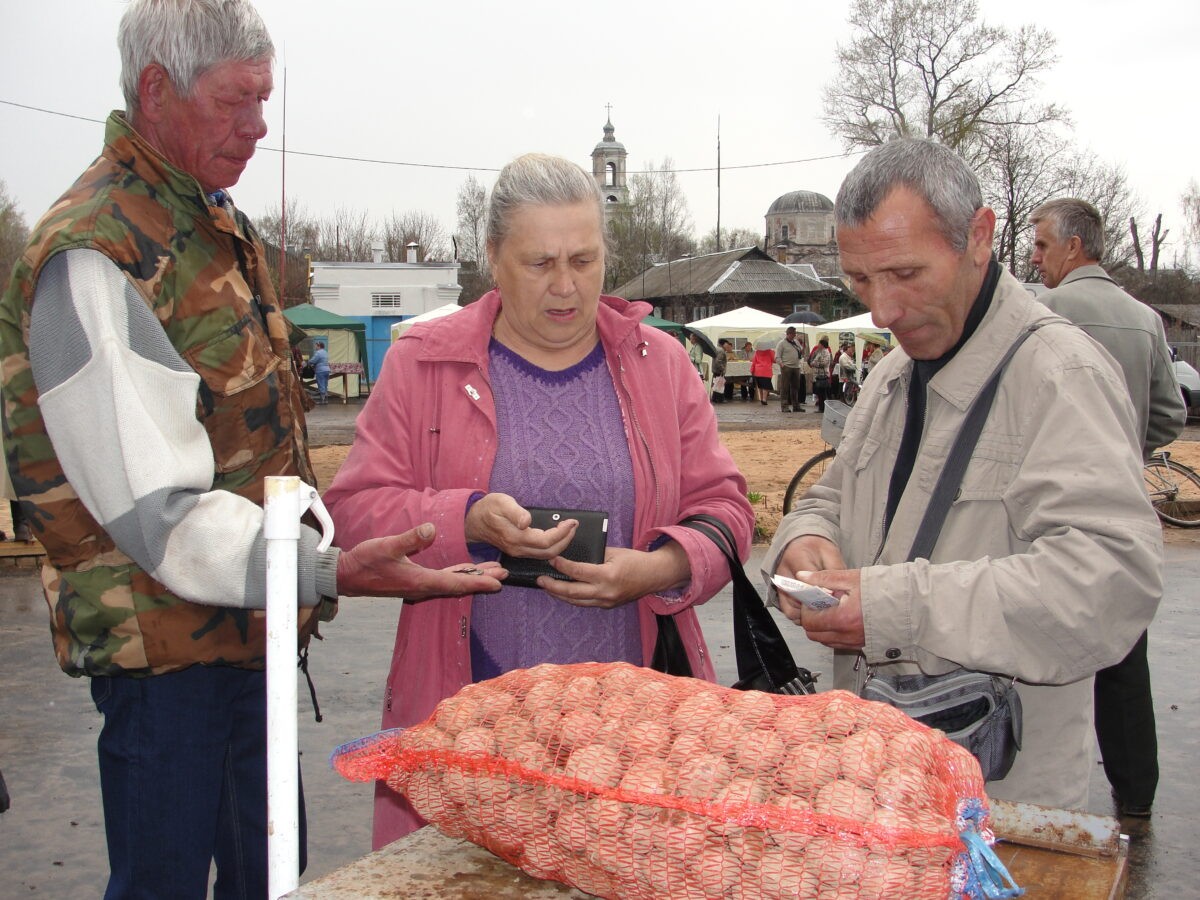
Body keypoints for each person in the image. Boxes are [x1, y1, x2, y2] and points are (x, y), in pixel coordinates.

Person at [0, 2, 501, 896]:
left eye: (265, 101)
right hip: (162, 655)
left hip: (246, 634)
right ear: (155, 90)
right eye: (236, 101)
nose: (257, 127)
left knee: (273, 873)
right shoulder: (94, 252)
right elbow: (158, 508)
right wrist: (326, 568)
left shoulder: (202, 218)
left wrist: (304, 569)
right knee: (165, 884)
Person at [322, 153, 753, 847]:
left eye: (584, 260)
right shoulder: (422, 362)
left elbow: (727, 508)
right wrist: (463, 517)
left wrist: (661, 568)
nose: (566, 286)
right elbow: (351, 511)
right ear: (492, 257)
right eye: (539, 263)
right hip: (469, 725)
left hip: (633, 735)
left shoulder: (660, 364)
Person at [765, 138, 1162, 813]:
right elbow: (833, 496)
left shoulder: (1059, 374)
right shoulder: (893, 373)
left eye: (905, 274)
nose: (882, 311)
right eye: (861, 281)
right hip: (873, 783)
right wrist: (804, 542)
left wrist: (890, 607)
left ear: (979, 237)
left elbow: (1113, 582)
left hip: (995, 813)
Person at [1031, 197, 1185, 819]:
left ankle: (1037, 804)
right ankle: (1136, 796)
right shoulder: (1145, 318)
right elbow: (1170, 414)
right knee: (1124, 659)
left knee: (1041, 655)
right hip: (1123, 509)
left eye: (1041, 244)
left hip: (1045, 510)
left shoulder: (1041, 314)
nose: (1034, 256)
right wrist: (1123, 450)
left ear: (1075, 247)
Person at [775, 326, 806, 413]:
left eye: (795, 333)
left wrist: (803, 348)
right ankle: (784, 406)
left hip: (796, 367)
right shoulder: (781, 343)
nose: (794, 335)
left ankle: (796, 406)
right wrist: (782, 364)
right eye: (793, 333)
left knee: (795, 387)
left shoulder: (796, 342)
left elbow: (800, 352)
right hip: (786, 367)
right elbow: (777, 356)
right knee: (785, 387)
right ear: (788, 334)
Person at [808, 336, 832, 412]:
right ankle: (821, 408)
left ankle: (823, 408)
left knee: (822, 393)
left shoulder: (826, 352)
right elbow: (813, 361)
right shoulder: (820, 352)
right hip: (818, 375)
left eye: (819, 344)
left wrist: (815, 364)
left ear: (822, 344)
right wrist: (813, 363)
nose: (818, 345)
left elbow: (824, 363)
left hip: (823, 375)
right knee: (819, 392)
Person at [749, 340, 776, 405]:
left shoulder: (757, 352)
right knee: (765, 386)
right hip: (766, 371)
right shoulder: (770, 351)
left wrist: (752, 370)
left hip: (758, 371)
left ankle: (761, 398)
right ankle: (764, 399)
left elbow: (754, 362)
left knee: (760, 386)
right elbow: (774, 360)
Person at [310, 339, 331, 404]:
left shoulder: (318, 352)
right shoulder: (325, 352)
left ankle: (322, 400)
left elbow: (313, 360)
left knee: (321, 384)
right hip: (327, 370)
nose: (315, 347)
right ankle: (326, 399)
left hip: (320, 371)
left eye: (316, 346)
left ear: (319, 346)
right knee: (325, 384)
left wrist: (308, 362)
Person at [710, 337, 728, 403]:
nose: (727, 345)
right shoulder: (721, 351)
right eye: (726, 344)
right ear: (723, 344)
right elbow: (718, 361)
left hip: (715, 369)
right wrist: (722, 369)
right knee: (719, 384)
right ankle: (719, 399)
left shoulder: (717, 349)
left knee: (717, 384)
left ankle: (715, 398)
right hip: (719, 370)